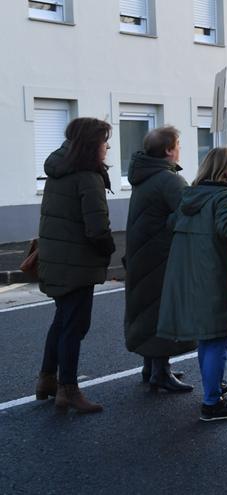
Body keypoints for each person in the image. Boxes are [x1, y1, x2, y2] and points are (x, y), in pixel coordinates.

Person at [157, 147, 227, 421]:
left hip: (188, 277)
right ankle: (212, 402)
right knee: (218, 340)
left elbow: (172, 224)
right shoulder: (225, 198)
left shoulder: (191, 196)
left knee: (208, 339)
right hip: (215, 278)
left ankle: (213, 390)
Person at [36, 118, 116, 413]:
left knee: (62, 320)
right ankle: (68, 388)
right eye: (104, 141)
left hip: (56, 259)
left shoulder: (59, 170)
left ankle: (47, 378)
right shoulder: (87, 176)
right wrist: (107, 250)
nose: (107, 147)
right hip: (77, 263)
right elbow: (96, 228)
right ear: (91, 145)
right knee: (74, 326)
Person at [124, 126, 195, 392]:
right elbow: (188, 213)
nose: (179, 150)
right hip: (162, 255)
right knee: (162, 311)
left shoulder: (144, 175)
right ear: (168, 150)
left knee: (146, 309)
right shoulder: (169, 180)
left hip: (141, 252)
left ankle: (150, 366)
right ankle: (161, 371)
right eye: (177, 145)